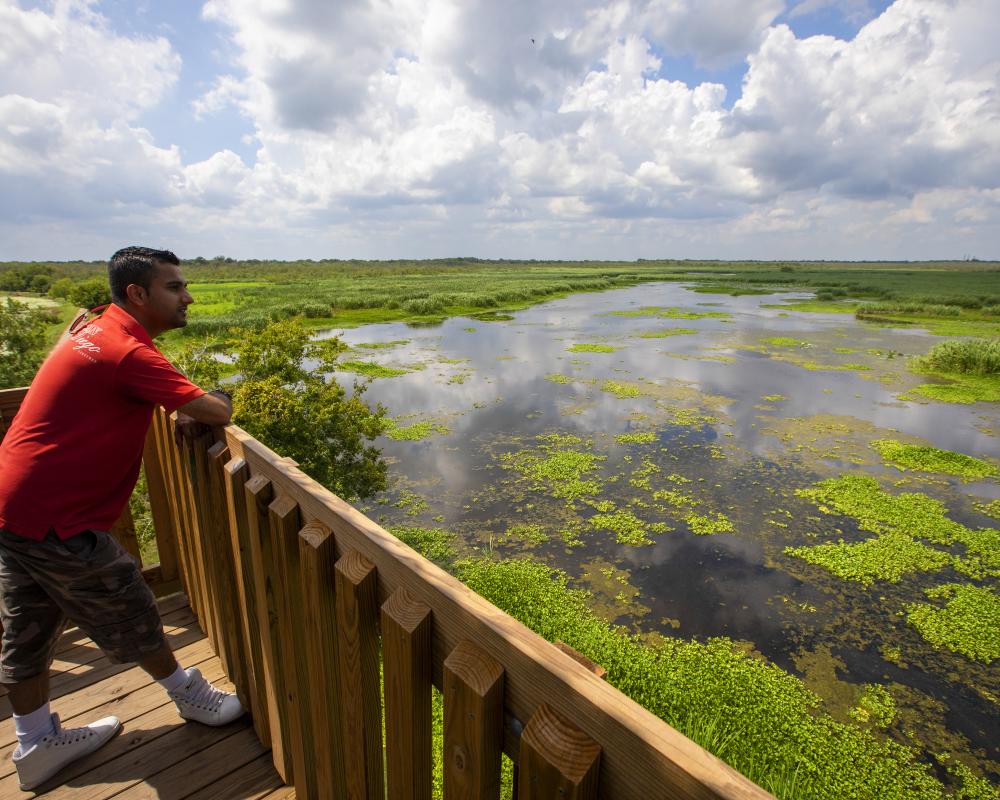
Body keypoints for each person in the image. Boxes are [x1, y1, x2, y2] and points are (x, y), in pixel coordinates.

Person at [0, 247, 244, 791]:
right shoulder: (128, 352)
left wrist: (178, 402)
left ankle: (34, 742)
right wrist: (214, 396)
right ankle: (192, 698)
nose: (188, 297)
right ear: (138, 294)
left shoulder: (90, 328)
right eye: (175, 287)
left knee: (29, 628)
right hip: (57, 515)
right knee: (130, 603)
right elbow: (216, 411)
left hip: (14, 504)